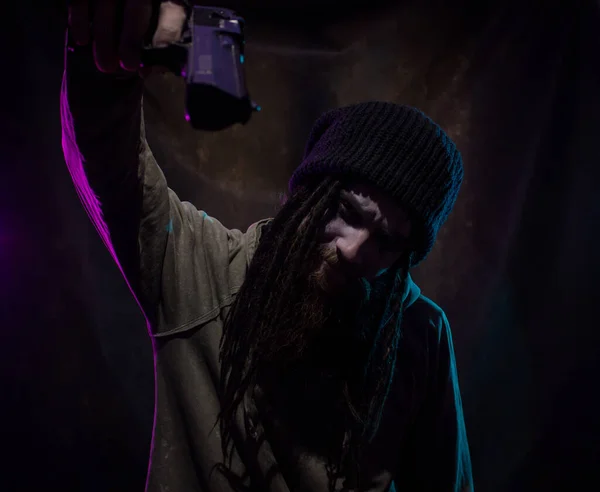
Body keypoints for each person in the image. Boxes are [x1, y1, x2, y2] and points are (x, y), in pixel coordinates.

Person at [63, 1, 474, 491]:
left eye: (386, 244)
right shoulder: (201, 268)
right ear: (301, 196)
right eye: (346, 212)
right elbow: (109, 163)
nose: (355, 251)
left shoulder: (418, 333)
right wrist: (108, 52)